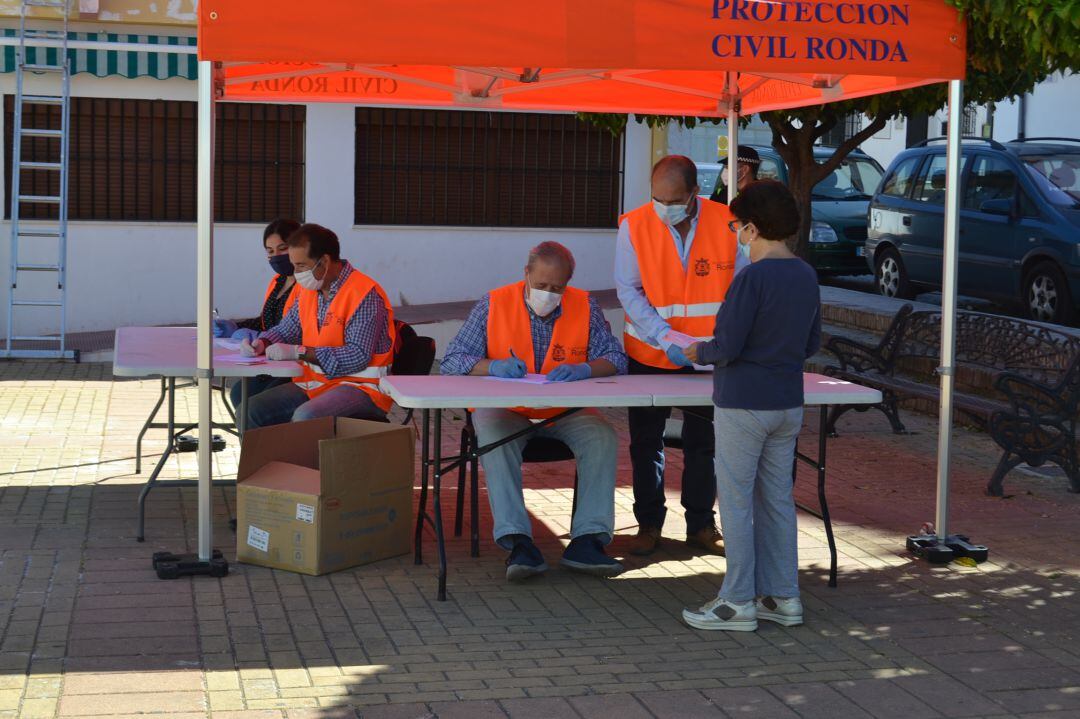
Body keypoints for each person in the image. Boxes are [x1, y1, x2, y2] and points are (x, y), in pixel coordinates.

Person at [441, 241, 628, 582]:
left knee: (602, 436)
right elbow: (453, 360)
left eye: (557, 288)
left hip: (564, 410)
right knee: (494, 437)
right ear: (525, 274)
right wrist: (492, 366)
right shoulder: (493, 302)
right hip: (505, 409)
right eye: (541, 285)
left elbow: (616, 358)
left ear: (568, 284)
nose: (548, 293)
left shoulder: (586, 305)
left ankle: (587, 540)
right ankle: (518, 542)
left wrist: (586, 369)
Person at [681, 180, 821, 632]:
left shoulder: (752, 278)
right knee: (777, 500)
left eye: (738, 226)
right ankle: (783, 598)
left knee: (737, 502)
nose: (737, 233)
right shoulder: (805, 274)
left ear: (753, 228)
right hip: (787, 401)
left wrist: (697, 352)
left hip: (743, 403)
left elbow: (728, 345)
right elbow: (812, 341)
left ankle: (737, 600)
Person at [614, 155, 741, 557]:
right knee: (645, 442)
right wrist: (664, 335)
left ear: (693, 195)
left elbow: (741, 288)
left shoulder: (729, 222)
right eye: (656, 198)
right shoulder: (633, 224)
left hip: (709, 356)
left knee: (705, 442)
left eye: (672, 200)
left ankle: (701, 524)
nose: (663, 207)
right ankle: (648, 523)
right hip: (650, 351)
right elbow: (628, 290)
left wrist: (717, 343)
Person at [240, 223, 397, 429]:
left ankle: (297, 462)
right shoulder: (309, 289)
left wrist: (300, 352)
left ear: (324, 261)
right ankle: (267, 462)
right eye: (294, 265)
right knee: (250, 412)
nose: (296, 273)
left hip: (362, 388)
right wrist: (263, 342)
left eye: (301, 266)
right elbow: (289, 328)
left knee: (306, 417)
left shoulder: (364, 294)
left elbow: (357, 355)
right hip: (317, 383)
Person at [212, 218, 303, 411]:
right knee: (238, 393)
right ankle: (252, 440)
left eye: (282, 248)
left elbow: (294, 327)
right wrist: (234, 326)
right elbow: (265, 320)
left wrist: (262, 338)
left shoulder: (308, 285)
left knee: (255, 406)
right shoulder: (278, 281)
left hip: (293, 364)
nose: (276, 256)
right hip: (267, 359)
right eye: (270, 252)